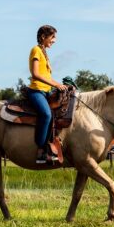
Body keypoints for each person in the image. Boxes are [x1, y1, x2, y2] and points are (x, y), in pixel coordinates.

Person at [27, 25, 66, 164]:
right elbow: (35, 74)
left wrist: (60, 86)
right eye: (52, 37)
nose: (54, 40)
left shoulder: (44, 53)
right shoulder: (36, 50)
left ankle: (54, 145)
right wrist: (56, 84)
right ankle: (41, 150)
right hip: (36, 91)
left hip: (46, 91)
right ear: (43, 37)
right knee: (46, 114)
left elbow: (47, 77)